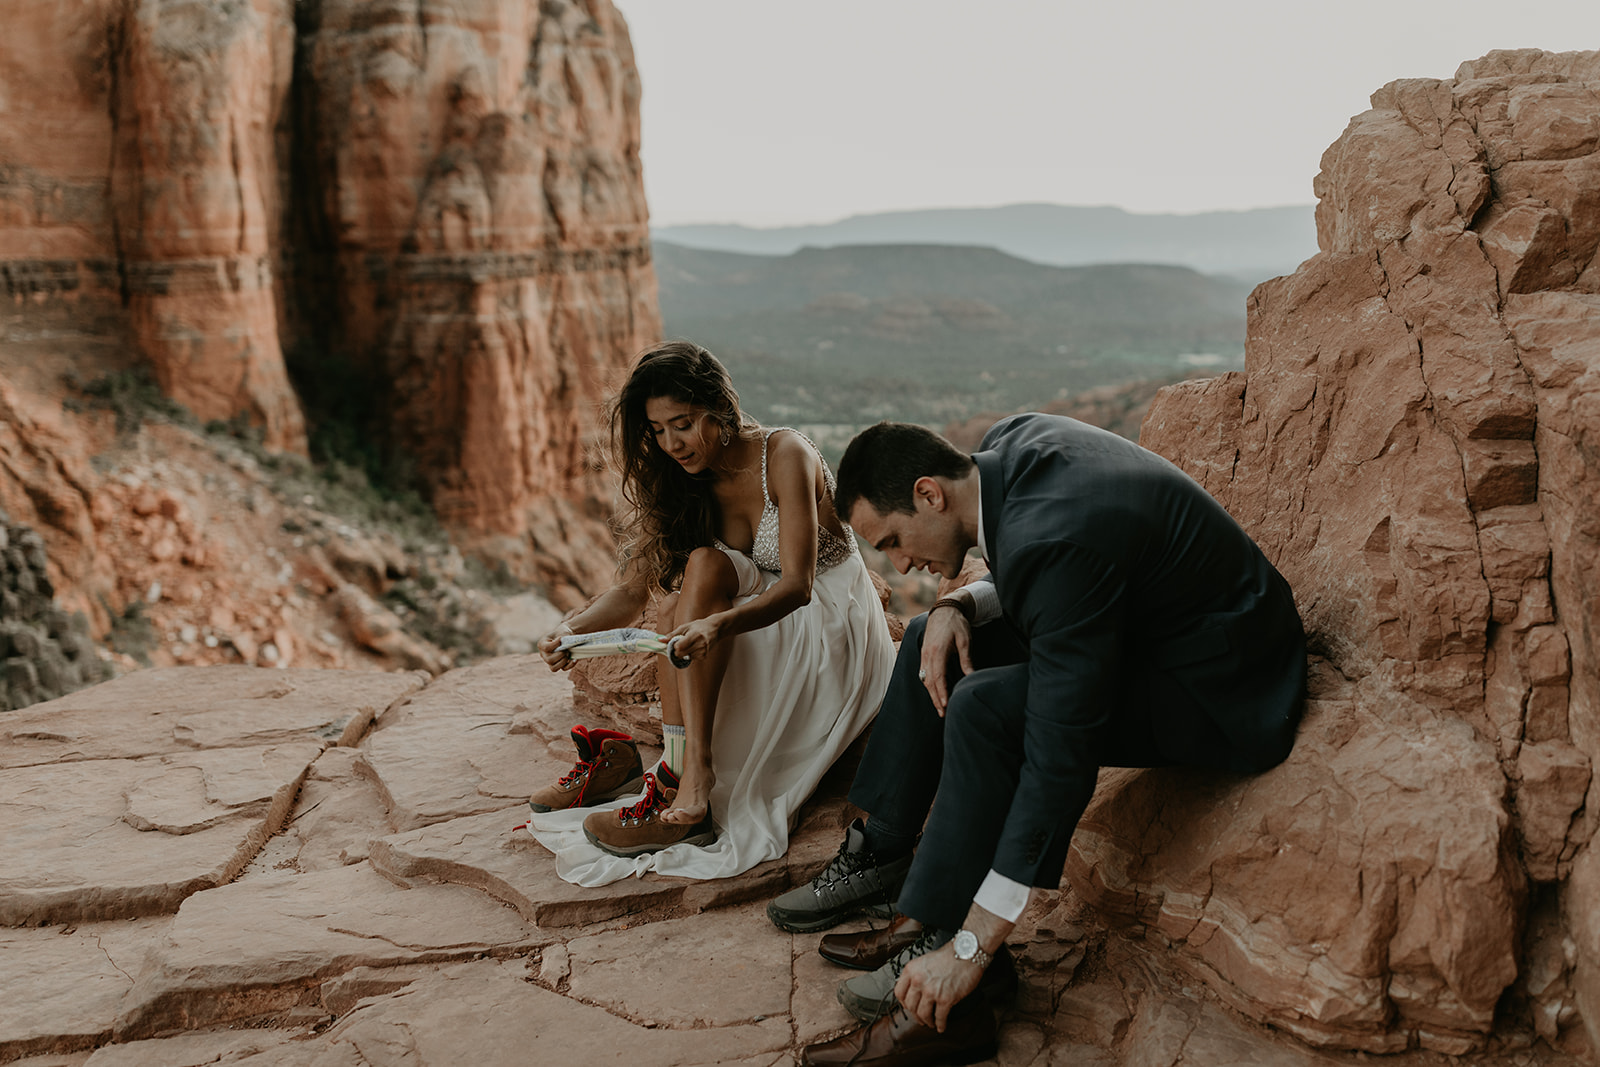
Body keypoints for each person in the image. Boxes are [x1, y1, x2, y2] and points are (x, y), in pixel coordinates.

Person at [770, 414, 1307, 1066]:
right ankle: (885, 862)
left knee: (986, 707)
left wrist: (976, 945)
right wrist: (955, 607)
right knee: (926, 633)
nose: (901, 562)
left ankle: (953, 964)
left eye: (894, 540)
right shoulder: (1005, 450)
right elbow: (1044, 573)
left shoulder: (1054, 539)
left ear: (929, 493)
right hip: (1146, 628)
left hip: (1225, 687)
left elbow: (1059, 758)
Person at [526, 341, 895, 886]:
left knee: (688, 613)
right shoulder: (679, 478)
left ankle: (686, 778)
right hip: (753, 600)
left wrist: (715, 624)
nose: (672, 443)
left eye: (684, 423)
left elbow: (795, 585)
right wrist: (569, 632)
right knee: (693, 574)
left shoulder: (784, 453)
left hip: (826, 608)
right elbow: (630, 594)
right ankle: (685, 770)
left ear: (719, 409)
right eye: (658, 429)